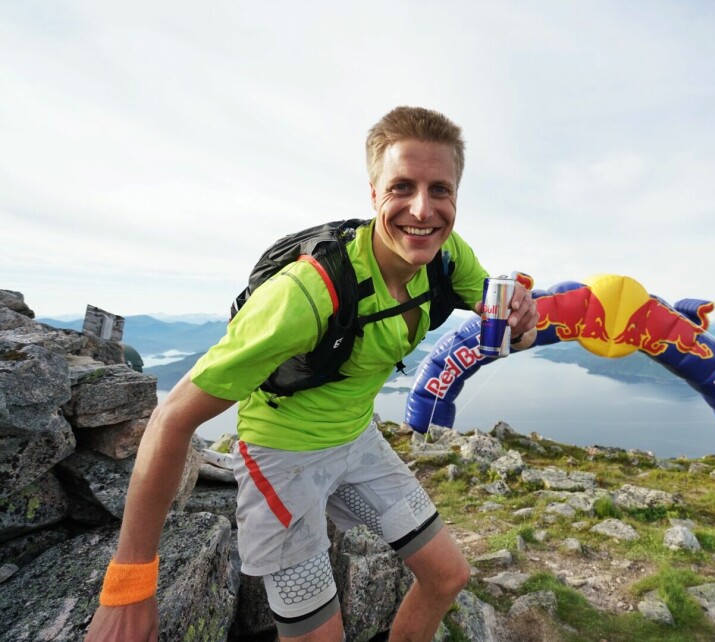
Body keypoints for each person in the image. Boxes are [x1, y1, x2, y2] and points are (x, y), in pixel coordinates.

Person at [84, 106, 539, 642]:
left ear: (456, 197)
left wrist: (523, 322)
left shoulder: (446, 256)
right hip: (283, 460)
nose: (423, 208)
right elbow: (172, 419)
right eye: (402, 187)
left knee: (448, 577)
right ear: (373, 195)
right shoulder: (306, 294)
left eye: (440, 189)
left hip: (357, 438)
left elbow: (507, 326)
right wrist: (128, 586)